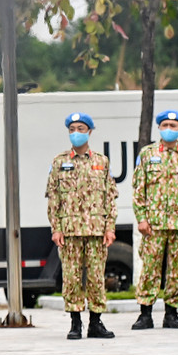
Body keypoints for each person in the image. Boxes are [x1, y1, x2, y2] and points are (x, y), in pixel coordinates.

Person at [44, 112, 118, 340]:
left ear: (90, 132)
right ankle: (75, 323)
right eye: (72, 129)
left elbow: (110, 197)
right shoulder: (59, 162)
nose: (76, 133)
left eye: (81, 129)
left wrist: (110, 227)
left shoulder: (102, 162)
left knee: (96, 277)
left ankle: (95, 322)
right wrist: (55, 228)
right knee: (72, 277)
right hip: (69, 231)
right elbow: (53, 197)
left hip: (96, 230)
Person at [131, 109, 178, 330]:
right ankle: (145, 313)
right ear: (159, 128)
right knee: (150, 268)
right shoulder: (147, 154)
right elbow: (138, 189)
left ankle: (172, 313)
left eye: (174, 126)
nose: (169, 129)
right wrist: (141, 219)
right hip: (153, 225)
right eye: (165, 125)